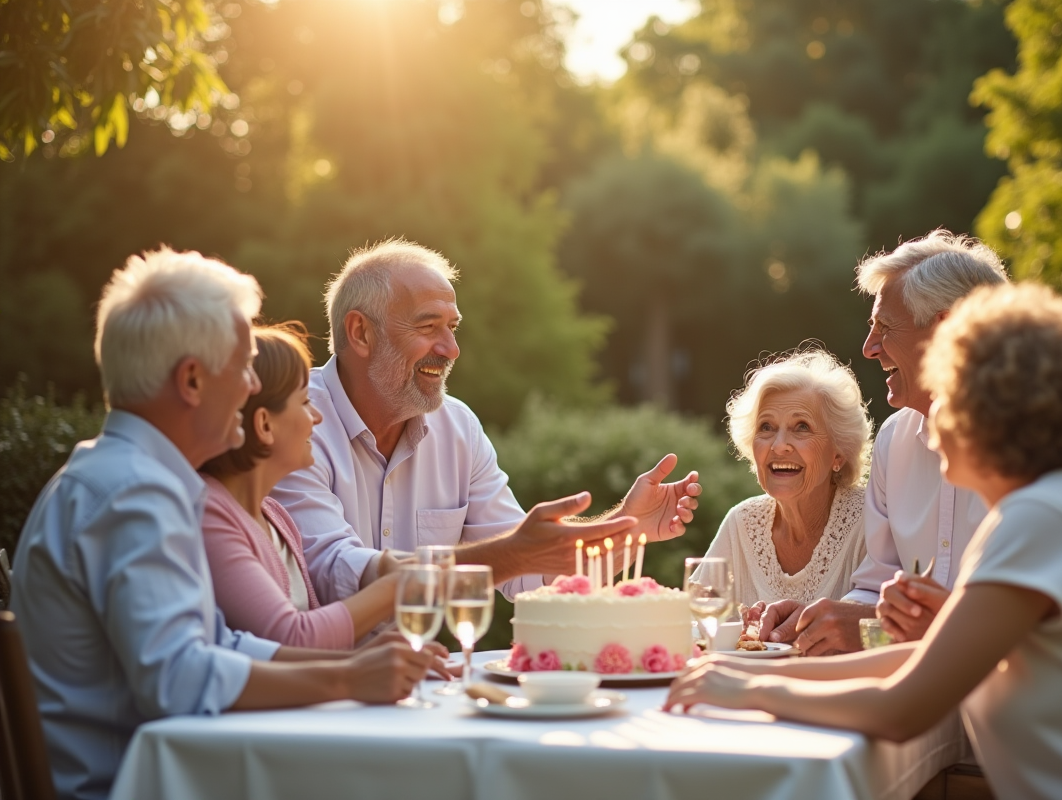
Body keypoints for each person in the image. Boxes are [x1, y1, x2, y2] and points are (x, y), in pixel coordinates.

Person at [666, 283, 1062, 800]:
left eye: (946, 397)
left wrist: (749, 690)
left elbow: (904, 707)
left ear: (993, 412)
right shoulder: (1046, 510)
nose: (928, 424)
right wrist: (739, 671)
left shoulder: (1049, 517)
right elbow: (917, 658)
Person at [10, 249, 436, 800]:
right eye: (240, 366)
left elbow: (217, 643)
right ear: (191, 380)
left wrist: (358, 661)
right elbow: (178, 678)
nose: (248, 386)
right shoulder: (133, 494)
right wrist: (348, 678)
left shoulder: (123, 477)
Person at [759, 230, 1062, 652]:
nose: (869, 348)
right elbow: (878, 590)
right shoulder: (895, 438)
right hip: (956, 695)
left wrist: (889, 630)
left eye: (885, 327)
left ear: (947, 330)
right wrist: (826, 623)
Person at [272, 239, 703, 605]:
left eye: (453, 327)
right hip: (312, 691)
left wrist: (627, 528)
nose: (451, 349)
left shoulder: (458, 428)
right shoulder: (290, 420)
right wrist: (507, 556)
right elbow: (332, 572)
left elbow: (529, 575)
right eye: (429, 327)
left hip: (413, 686)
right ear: (361, 333)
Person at [201, 323, 400, 649]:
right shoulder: (210, 512)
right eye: (305, 402)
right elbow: (293, 638)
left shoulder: (276, 516)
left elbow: (312, 641)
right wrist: (396, 587)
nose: (317, 418)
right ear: (265, 424)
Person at [703, 349, 872, 610]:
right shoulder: (741, 523)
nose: (779, 445)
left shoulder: (870, 521)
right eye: (766, 427)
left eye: (802, 427)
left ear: (838, 453)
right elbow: (694, 622)